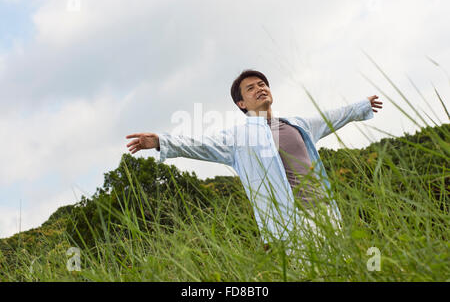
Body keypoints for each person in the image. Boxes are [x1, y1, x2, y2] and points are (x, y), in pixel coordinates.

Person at [125, 69, 383, 255]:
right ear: (241, 102)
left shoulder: (298, 125)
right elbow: (198, 144)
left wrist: (362, 106)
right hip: (291, 222)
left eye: (262, 84)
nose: (260, 88)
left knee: (344, 268)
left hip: (325, 211)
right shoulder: (238, 138)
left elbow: (332, 117)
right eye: (251, 88)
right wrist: (161, 141)